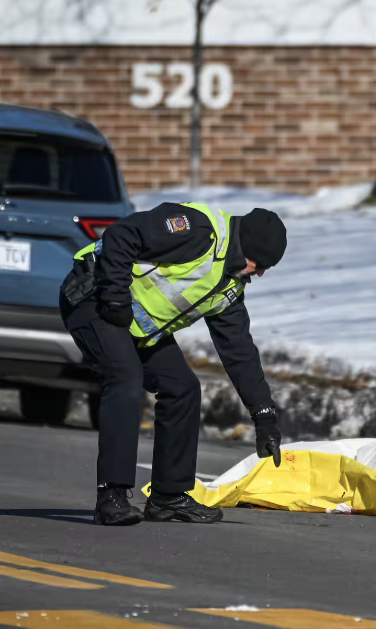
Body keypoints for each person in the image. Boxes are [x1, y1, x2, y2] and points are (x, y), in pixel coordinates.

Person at [60, 202, 288, 526]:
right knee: (125, 378)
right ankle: (111, 496)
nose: (260, 273)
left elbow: (239, 351)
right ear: (246, 249)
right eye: (260, 265)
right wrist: (115, 297)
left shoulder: (229, 285)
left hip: (133, 323)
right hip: (94, 297)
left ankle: (168, 497)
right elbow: (122, 234)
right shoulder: (198, 230)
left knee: (183, 388)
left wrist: (264, 416)